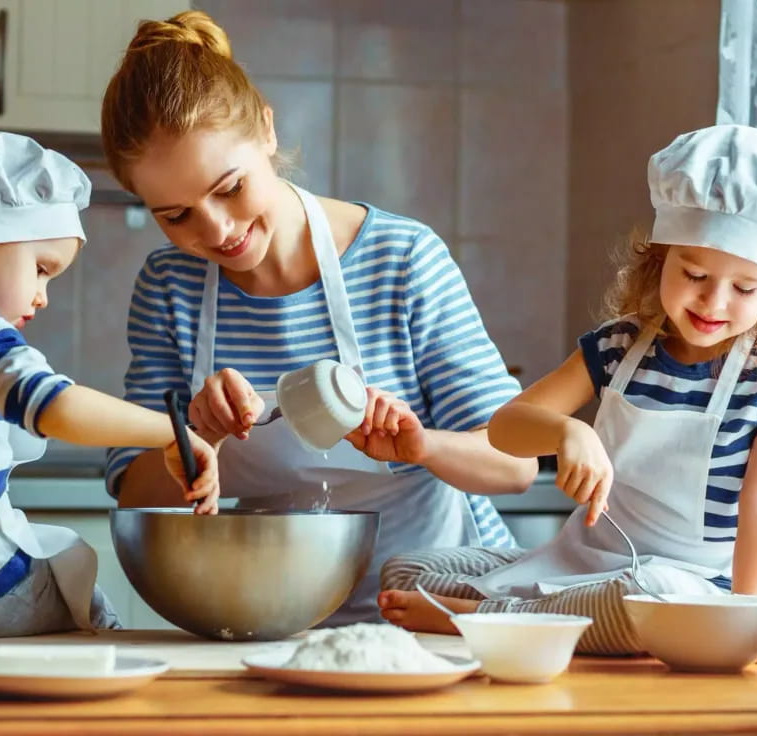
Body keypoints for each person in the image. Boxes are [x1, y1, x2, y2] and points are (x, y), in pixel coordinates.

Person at [100, 10, 538, 625]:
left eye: (229, 188)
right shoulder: (168, 288)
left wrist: (421, 446)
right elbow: (133, 492)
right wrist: (196, 437)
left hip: (435, 612)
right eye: (176, 216)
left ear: (267, 132)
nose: (217, 230)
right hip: (266, 620)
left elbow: (517, 465)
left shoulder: (402, 259)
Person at [378, 124, 757, 662]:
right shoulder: (620, 346)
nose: (714, 301)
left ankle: (479, 620)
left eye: (745, 288)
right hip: (587, 564)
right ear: (659, 259)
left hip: (688, 585)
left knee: (648, 603)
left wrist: (752, 620)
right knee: (410, 569)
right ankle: (530, 617)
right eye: (694, 274)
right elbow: (505, 427)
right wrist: (567, 430)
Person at [0, 128, 220, 637]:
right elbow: (56, 406)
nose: (42, 296)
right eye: (40, 269)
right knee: (88, 610)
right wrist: (174, 431)